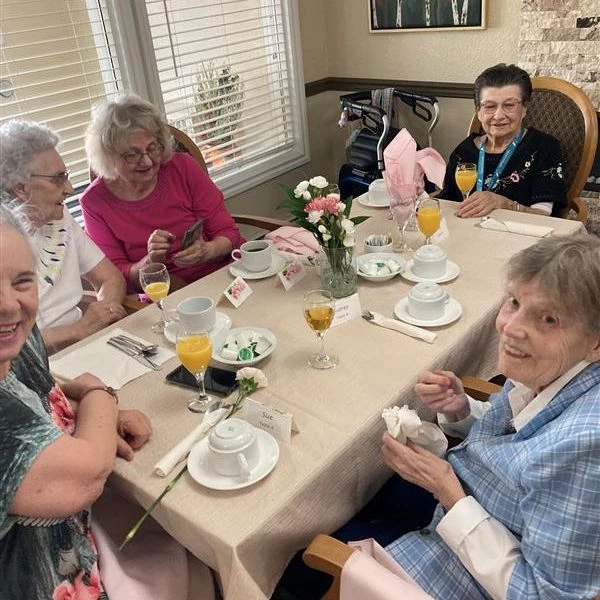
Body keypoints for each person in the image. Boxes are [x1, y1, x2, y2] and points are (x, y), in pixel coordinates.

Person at [277, 233, 600, 600]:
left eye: (549, 319)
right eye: (514, 302)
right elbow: (520, 436)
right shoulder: (553, 369)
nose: (510, 328)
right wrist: (462, 409)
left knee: (298, 564)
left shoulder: (586, 447)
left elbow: (545, 594)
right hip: (469, 496)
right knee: (347, 493)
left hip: (462, 565)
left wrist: (448, 491)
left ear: (596, 344)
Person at [0, 204, 216, 600]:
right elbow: (89, 473)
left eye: (22, 281)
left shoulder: (17, 339)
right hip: (43, 574)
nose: (9, 305)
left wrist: (84, 411)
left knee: (192, 537)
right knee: (193, 539)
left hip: (76, 524)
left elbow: (38, 393)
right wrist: (100, 395)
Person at [80, 94, 243, 293]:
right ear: (109, 156)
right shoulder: (94, 202)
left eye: (152, 148)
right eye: (132, 154)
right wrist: (150, 262)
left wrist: (207, 251)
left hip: (222, 275)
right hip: (164, 293)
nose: (147, 161)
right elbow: (115, 279)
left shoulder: (182, 167)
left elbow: (228, 233)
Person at [0, 120, 127, 354]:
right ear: (20, 187)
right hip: (34, 366)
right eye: (58, 179)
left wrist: (103, 312)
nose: (69, 188)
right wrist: (79, 329)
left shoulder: (60, 217)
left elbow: (111, 279)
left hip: (86, 345)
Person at [440, 64, 567, 218]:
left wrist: (506, 204)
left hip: (522, 238)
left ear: (525, 108)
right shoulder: (463, 152)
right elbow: (446, 204)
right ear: (478, 112)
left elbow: (543, 216)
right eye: (490, 106)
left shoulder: (544, 148)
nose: (498, 115)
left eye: (509, 105)